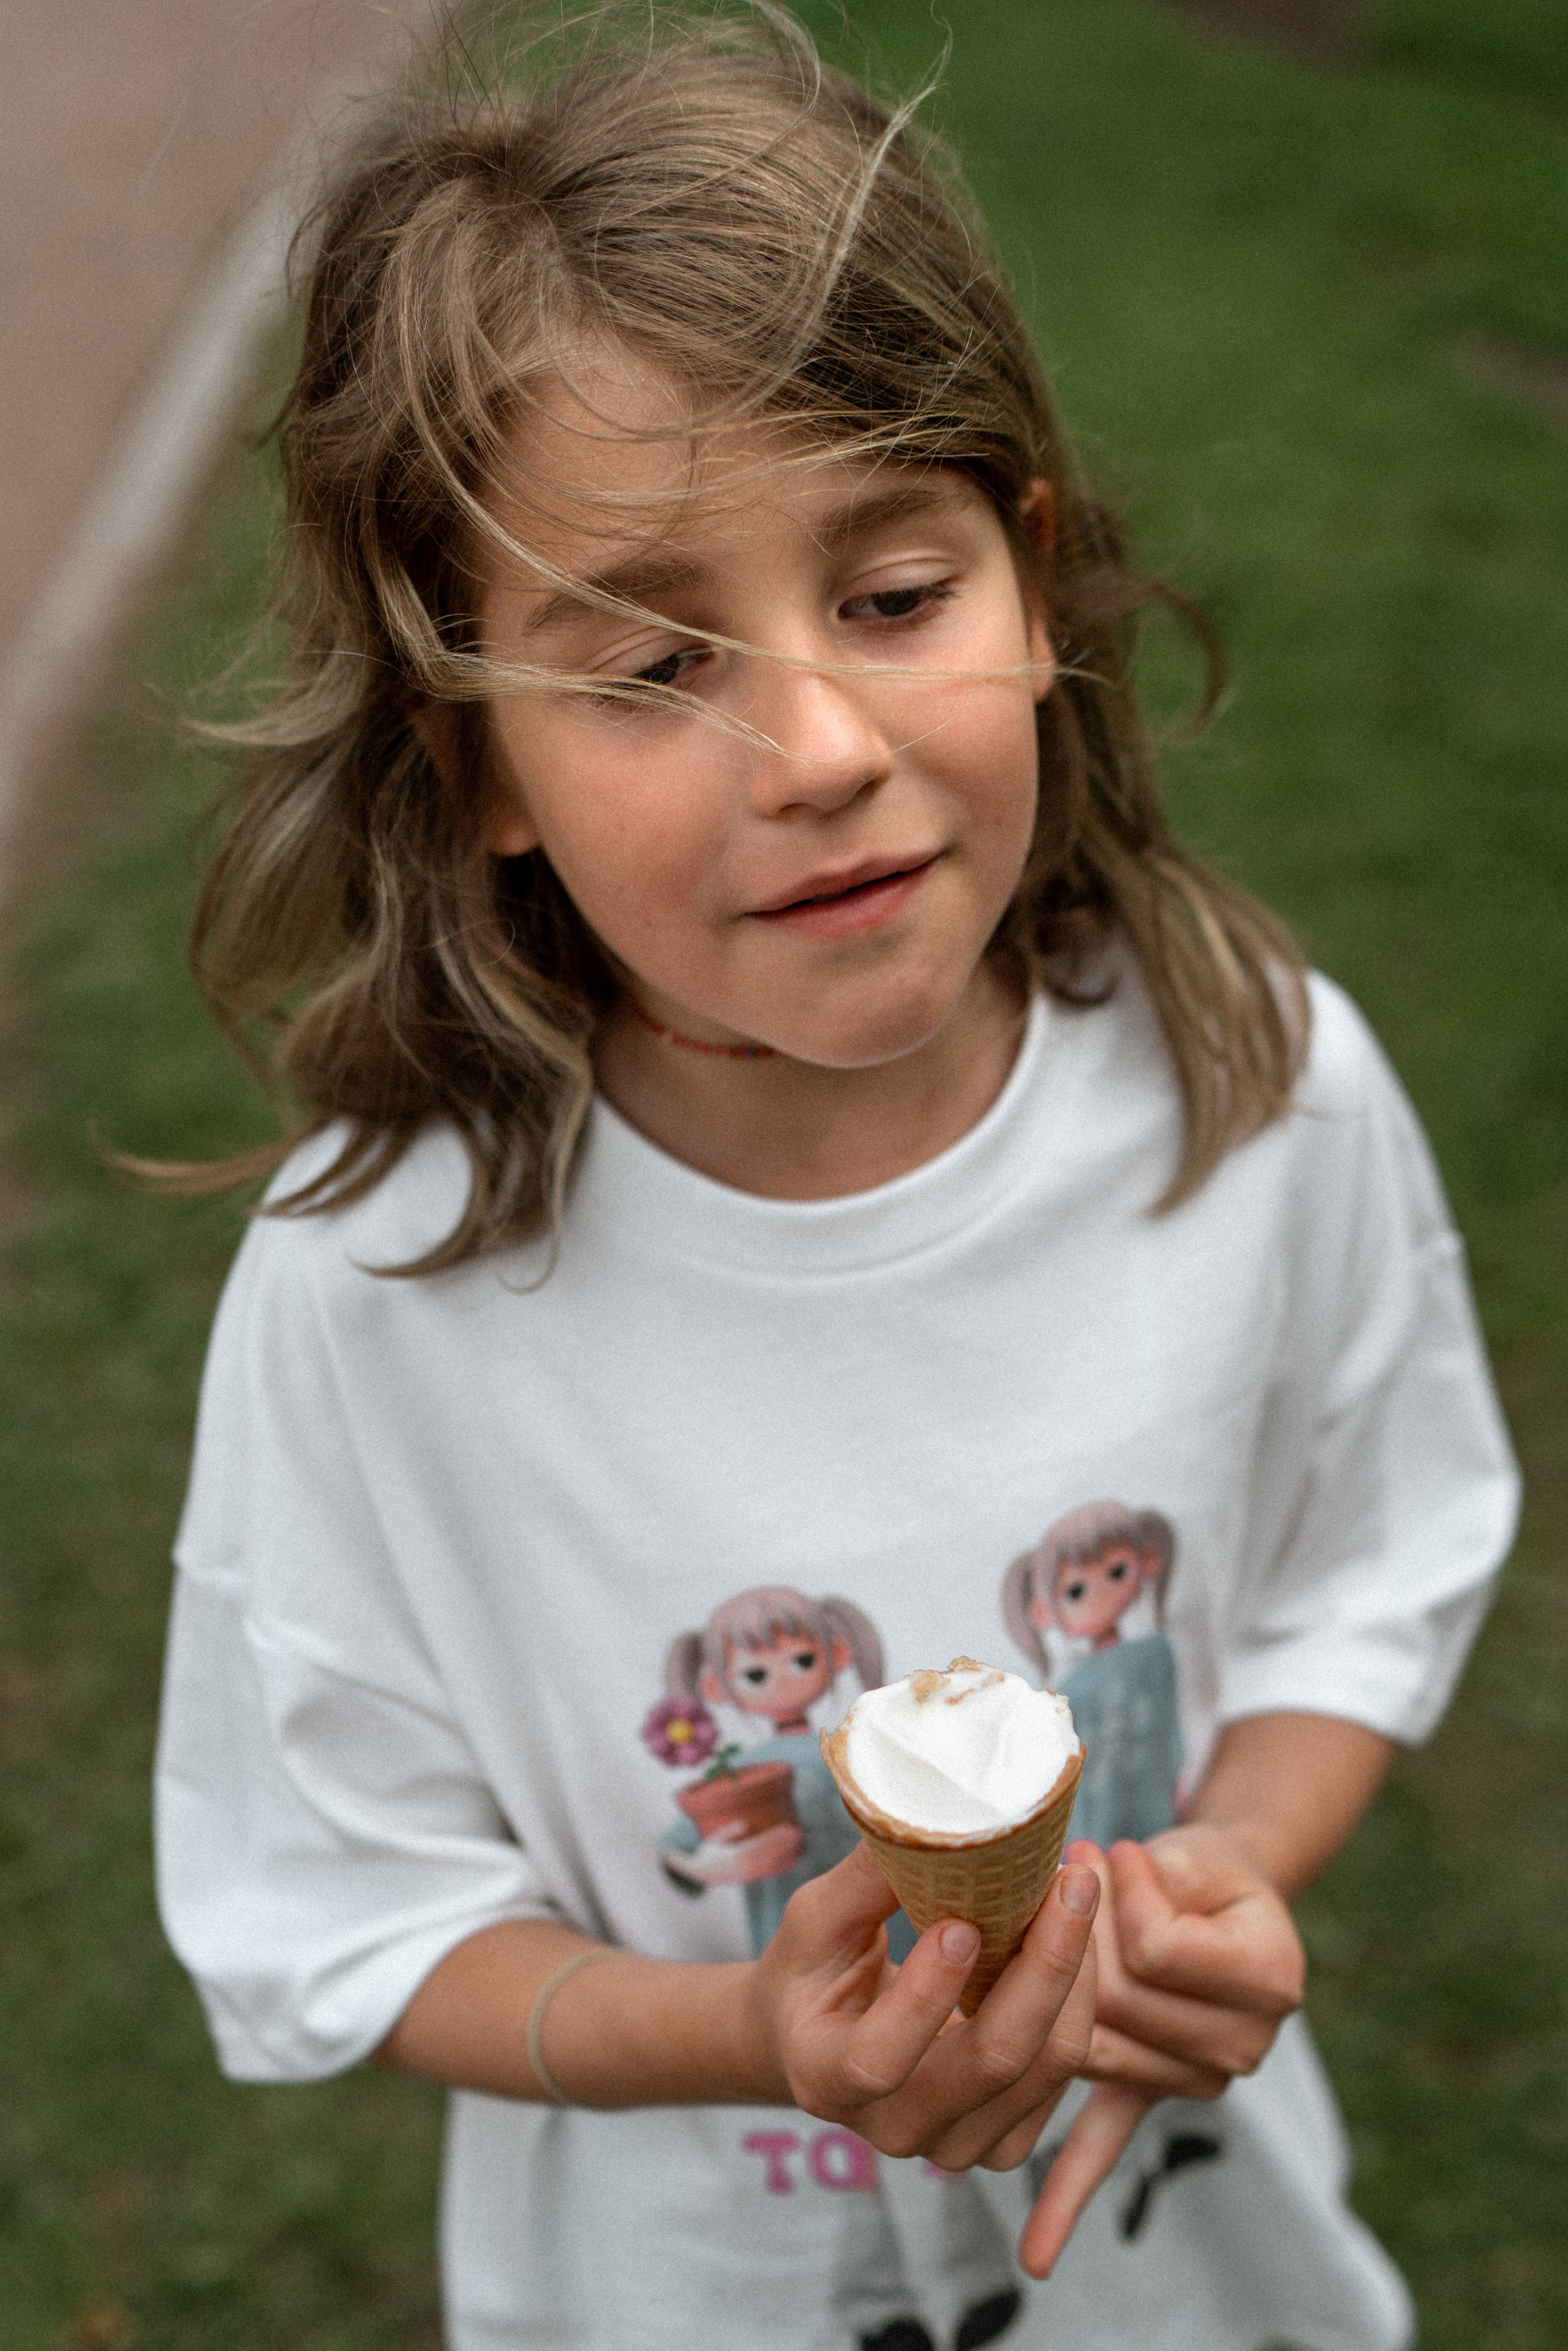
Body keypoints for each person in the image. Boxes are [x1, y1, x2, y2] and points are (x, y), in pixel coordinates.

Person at [151, 11, 1519, 2351]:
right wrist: (751, 2032)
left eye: (892, 598)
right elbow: (342, 1914)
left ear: (1033, 581)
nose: (817, 749)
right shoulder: (375, 1293)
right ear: (474, 765)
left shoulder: (1263, 1094)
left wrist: (1211, 1883)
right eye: (648, 667)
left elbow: (1368, 1580)